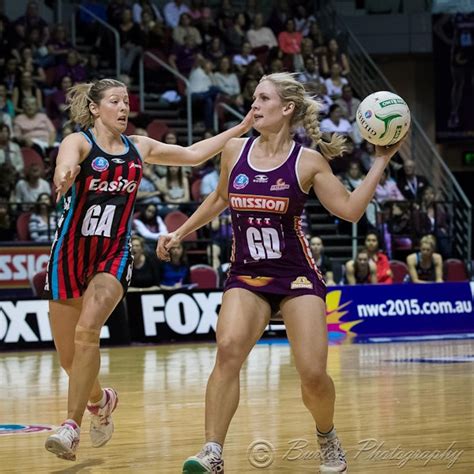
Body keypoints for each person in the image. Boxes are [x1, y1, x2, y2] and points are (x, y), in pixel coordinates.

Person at [157, 72, 403, 473]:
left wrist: (380, 160)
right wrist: (181, 232)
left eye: (263, 98)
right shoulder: (234, 150)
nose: (253, 105)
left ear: (286, 108)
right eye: (253, 97)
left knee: (313, 374)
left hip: (296, 277)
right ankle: (212, 452)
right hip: (246, 273)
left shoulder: (307, 162)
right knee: (228, 350)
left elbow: (351, 210)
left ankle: (327, 436)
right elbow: (220, 198)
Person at [43, 77, 252, 461]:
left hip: (113, 253)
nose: (124, 108)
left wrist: (239, 128)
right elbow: (65, 161)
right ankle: (101, 400)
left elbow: (192, 154)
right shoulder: (80, 141)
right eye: (114, 101)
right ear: (95, 108)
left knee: (89, 331)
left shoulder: (138, 147)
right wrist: (64, 174)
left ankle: (70, 427)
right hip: (69, 253)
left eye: (126, 101)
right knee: (70, 359)